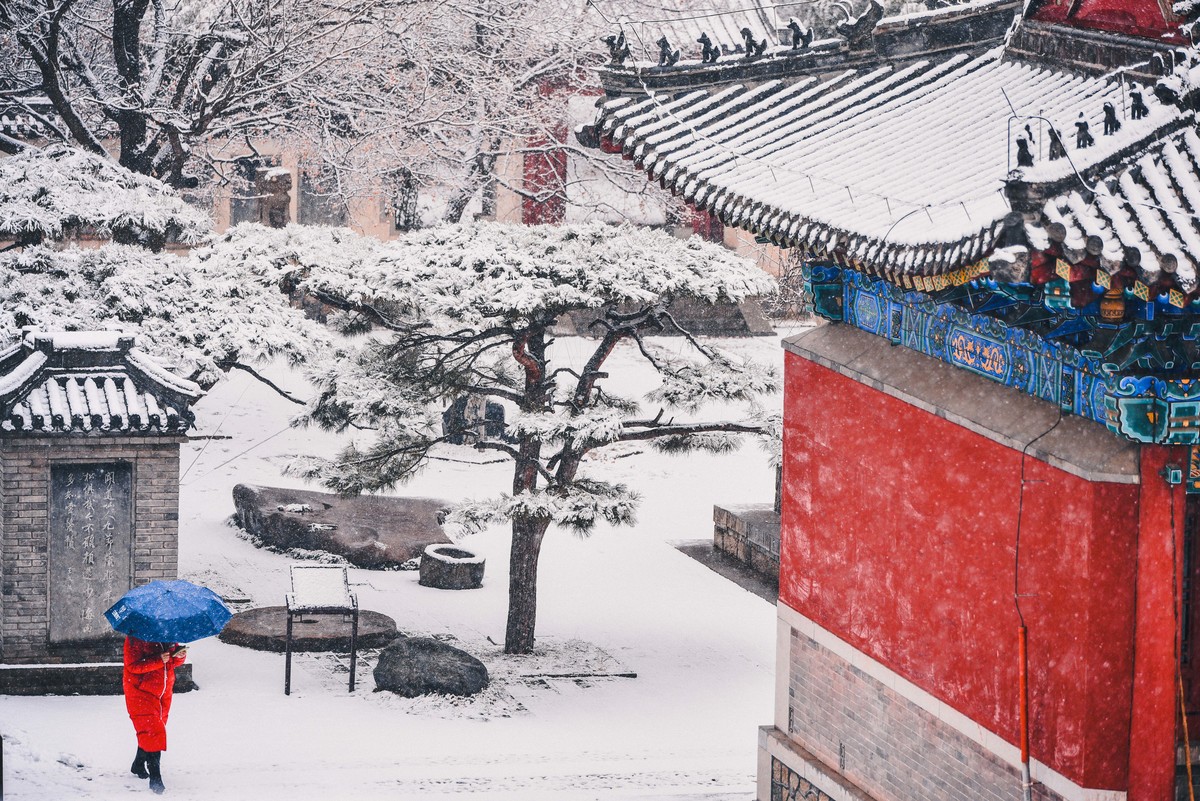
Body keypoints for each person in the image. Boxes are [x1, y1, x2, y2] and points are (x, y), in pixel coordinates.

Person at [123, 637, 188, 794]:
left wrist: (179, 656)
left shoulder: (168, 633)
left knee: (152, 730)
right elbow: (132, 666)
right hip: (140, 692)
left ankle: (138, 764)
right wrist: (158, 660)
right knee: (153, 731)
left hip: (163, 692)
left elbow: (171, 663)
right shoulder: (135, 638)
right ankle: (155, 776)